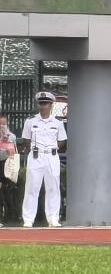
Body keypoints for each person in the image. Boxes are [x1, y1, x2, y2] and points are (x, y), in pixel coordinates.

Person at [20, 91, 66, 228]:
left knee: (53, 188)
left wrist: (51, 149)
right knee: (32, 188)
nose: (42, 106)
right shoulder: (31, 121)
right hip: (35, 156)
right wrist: (36, 150)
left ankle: (53, 218)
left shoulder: (57, 123)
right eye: (41, 103)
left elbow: (62, 140)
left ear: (51, 105)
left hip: (51, 156)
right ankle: (28, 219)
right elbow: (26, 139)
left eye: (45, 103)